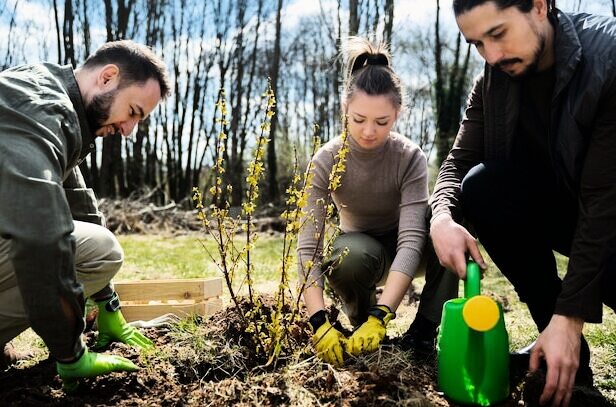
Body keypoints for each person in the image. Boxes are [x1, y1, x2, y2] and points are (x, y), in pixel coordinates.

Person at [429, 0, 616, 405]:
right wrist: (441, 216)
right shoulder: (494, 79)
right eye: (477, 43)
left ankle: (563, 330)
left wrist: (572, 315)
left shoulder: (609, 58)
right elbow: (458, 162)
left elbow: (604, 202)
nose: (491, 56)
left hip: (611, 223)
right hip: (574, 213)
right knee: (482, 187)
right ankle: (563, 354)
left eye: (497, 34)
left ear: (538, 6)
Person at [0, 40, 171, 388]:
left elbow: (76, 201)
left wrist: (108, 305)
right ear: (108, 78)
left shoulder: (49, 93)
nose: (128, 130)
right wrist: (70, 351)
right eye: (133, 112)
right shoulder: (42, 113)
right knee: (101, 250)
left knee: (93, 244)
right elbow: (41, 235)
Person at [297, 37, 452, 366]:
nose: (368, 131)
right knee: (348, 254)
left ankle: (423, 331)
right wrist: (319, 322)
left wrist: (384, 313)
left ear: (397, 113)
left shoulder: (409, 156)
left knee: (450, 229)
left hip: (411, 247)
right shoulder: (326, 160)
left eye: (381, 122)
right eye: (358, 119)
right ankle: (359, 322)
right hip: (363, 252)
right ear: (345, 110)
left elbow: (411, 240)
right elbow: (307, 247)